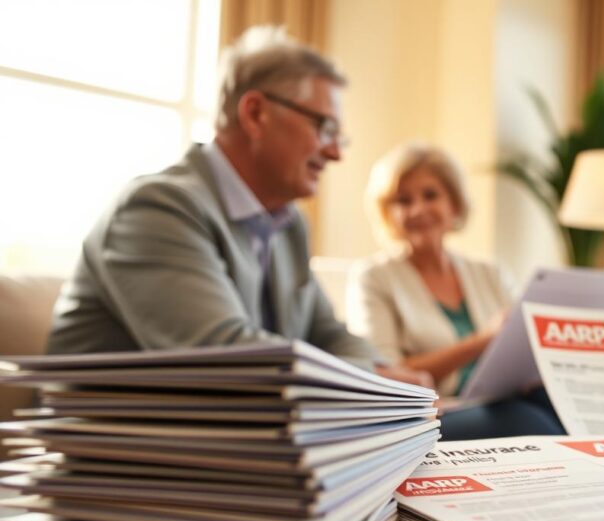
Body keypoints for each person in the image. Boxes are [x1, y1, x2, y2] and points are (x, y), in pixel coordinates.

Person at [46, 26, 426, 386]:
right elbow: (223, 356)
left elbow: (328, 332)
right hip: (111, 445)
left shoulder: (289, 224)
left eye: (338, 137)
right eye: (324, 127)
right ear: (256, 113)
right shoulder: (156, 209)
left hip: (234, 438)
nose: (334, 153)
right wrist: (370, 377)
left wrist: (381, 369)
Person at [347, 142, 564, 439]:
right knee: (528, 422)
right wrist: (481, 342)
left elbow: (522, 341)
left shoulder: (489, 272)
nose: (418, 209)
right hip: (435, 414)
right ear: (387, 213)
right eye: (402, 200)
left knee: (560, 405)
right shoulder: (373, 278)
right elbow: (386, 370)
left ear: (455, 203)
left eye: (430, 195)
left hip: (505, 400)